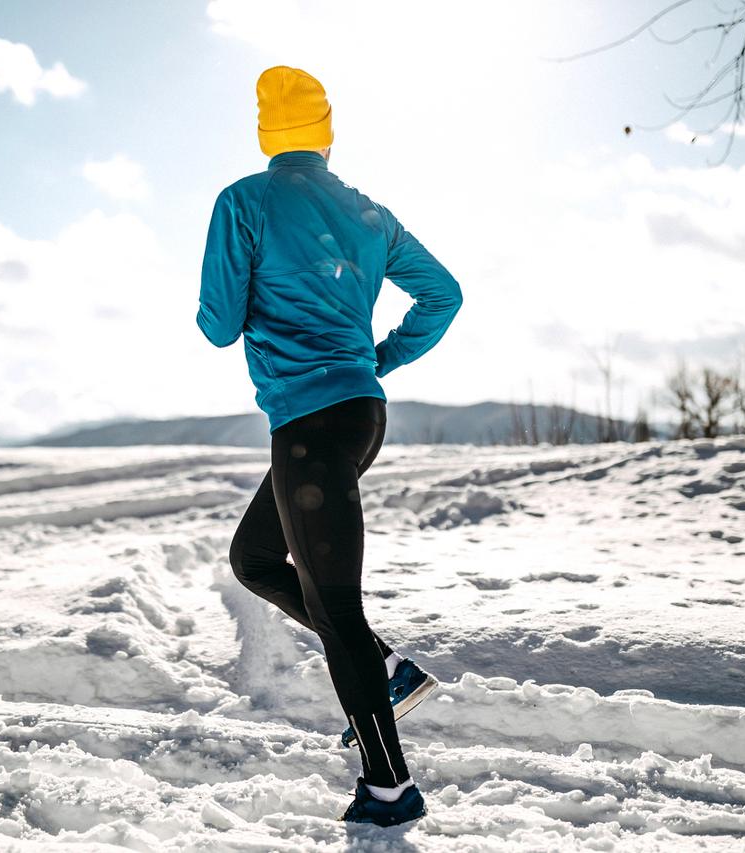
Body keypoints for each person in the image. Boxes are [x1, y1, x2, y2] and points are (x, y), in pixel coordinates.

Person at [197, 65, 463, 827]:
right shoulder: (368, 214)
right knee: (254, 558)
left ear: (266, 135)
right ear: (326, 134)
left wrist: (253, 287)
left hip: (308, 426)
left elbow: (218, 324)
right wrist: (380, 356)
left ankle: (389, 787)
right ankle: (386, 668)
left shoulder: (243, 201)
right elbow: (443, 294)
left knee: (334, 603)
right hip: (359, 416)